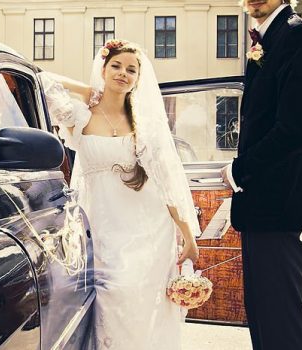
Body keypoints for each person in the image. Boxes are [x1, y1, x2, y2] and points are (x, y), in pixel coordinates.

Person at [40, 39, 200, 349]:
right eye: (116, 66)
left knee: (134, 301)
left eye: (131, 70)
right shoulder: (80, 116)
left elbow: (167, 183)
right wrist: (89, 92)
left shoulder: (144, 126)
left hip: (144, 231)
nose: (123, 73)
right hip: (97, 227)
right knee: (106, 297)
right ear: (103, 68)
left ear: (139, 80)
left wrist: (187, 236)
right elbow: (44, 80)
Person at [221, 1, 302, 349]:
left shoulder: (298, 37)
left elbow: (293, 129)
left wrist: (239, 169)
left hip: (277, 203)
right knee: (263, 316)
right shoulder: (268, 38)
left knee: (280, 320)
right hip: (259, 205)